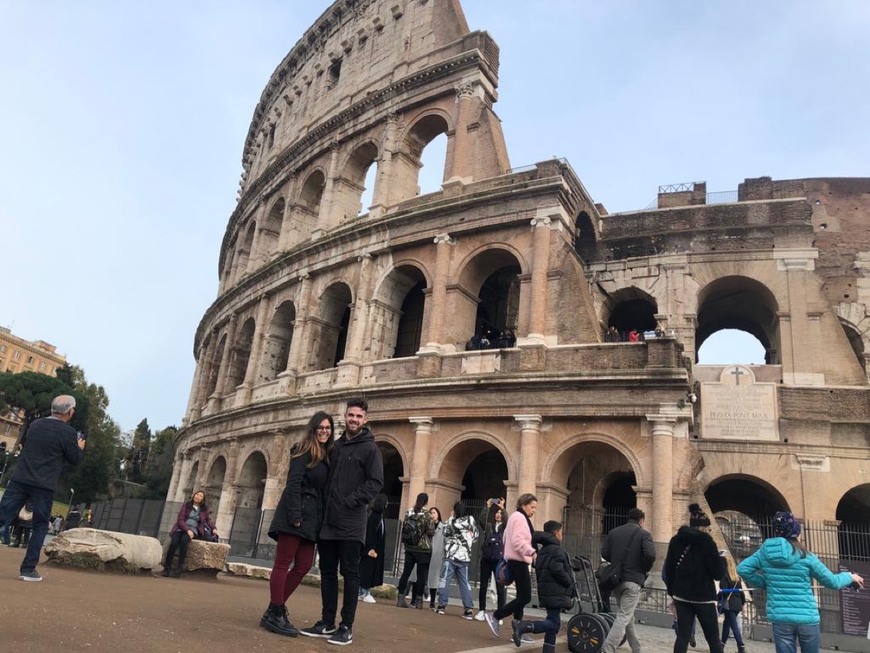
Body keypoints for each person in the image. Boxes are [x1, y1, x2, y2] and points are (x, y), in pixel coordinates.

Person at [300, 398, 384, 647]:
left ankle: (346, 626)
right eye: (351, 415)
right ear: (344, 417)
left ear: (365, 419)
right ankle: (327, 621)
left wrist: (351, 500)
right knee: (327, 572)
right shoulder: (335, 447)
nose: (354, 420)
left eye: (359, 416)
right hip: (329, 521)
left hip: (351, 521)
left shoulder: (371, 449)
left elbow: (376, 482)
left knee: (350, 574)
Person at [738, 511, 864, 653]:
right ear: (796, 532)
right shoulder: (806, 556)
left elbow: (743, 568)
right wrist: (849, 576)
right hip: (807, 617)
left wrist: (766, 583)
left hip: (780, 616)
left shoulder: (765, 552)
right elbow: (833, 582)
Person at [261, 411, 334, 636]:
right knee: (283, 562)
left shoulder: (326, 454)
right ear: (313, 429)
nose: (324, 431)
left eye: (328, 428)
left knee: (303, 565)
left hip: (312, 517)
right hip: (296, 513)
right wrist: (294, 515)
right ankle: (276, 611)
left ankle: (275, 609)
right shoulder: (302, 449)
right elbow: (293, 483)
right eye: (320, 427)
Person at [0, 395, 85, 582]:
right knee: (39, 526)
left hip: (21, 477)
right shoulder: (68, 433)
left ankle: (28, 569)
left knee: (2, 516)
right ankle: (28, 569)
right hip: (43, 484)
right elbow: (74, 460)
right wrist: (79, 447)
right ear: (69, 411)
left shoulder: (36, 424)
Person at [663, 505, 725, 653]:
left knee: (683, 637)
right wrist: (721, 561)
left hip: (681, 596)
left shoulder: (676, 540)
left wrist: (673, 592)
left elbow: (669, 569)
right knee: (713, 640)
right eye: (708, 528)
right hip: (704, 597)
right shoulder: (708, 543)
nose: (709, 530)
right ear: (703, 528)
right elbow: (718, 573)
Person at [511, 520, 574, 651]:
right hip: (556, 591)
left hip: (547, 591)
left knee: (553, 622)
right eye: (561, 532)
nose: (562, 535)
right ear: (556, 533)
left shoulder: (543, 551)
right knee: (553, 623)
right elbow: (557, 569)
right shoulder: (557, 550)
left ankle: (548, 649)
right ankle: (524, 626)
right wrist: (569, 581)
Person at [600, 507, 656, 653]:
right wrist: (643, 568)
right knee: (624, 616)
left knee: (627, 615)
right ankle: (608, 649)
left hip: (616, 580)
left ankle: (636, 648)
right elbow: (650, 555)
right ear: (641, 520)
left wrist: (618, 561)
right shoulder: (644, 534)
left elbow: (604, 553)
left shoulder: (613, 532)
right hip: (633, 580)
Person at [484, 493, 538, 638]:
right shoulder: (520, 518)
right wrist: (532, 552)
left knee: (521, 596)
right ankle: (496, 615)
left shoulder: (516, 517)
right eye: (532, 507)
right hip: (518, 560)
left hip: (515, 559)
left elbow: (509, 538)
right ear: (524, 505)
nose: (534, 510)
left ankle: (518, 630)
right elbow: (518, 541)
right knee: (525, 597)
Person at [436, 500, 479, 618]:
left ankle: (441, 605)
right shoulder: (470, 520)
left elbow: (444, 532)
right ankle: (468, 609)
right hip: (464, 557)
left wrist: (450, 518)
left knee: (445, 580)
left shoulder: (451, 522)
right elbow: (476, 536)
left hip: (451, 555)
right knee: (464, 583)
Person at [163, 490, 217, 578]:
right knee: (174, 543)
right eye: (196, 494)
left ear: (203, 499)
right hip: (181, 528)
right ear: (194, 496)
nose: (197, 496)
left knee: (184, 541)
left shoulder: (204, 509)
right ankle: (167, 568)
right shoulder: (186, 506)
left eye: (200, 496)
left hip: (194, 530)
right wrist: (187, 530)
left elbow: (207, 521)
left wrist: (214, 528)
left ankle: (179, 568)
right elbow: (180, 520)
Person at [396, 492, 436, 609]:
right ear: (426, 502)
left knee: (406, 573)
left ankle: (400, 598)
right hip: (423, 548)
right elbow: (431, 531)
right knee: (421, 576)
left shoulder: (409, 512)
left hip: (409, 547)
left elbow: (405, 526)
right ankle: (419, 601)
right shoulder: (427, 515)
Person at [475, 499, 507, 620]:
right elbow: (482, 520)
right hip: (486, 558)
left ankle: (500, 614)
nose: (498, 515)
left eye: (500, 513)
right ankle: (481, 610)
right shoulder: (489, 527)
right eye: (497, 513)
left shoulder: (505, 528)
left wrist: (502, 507)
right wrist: (487, 507)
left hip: (499, 560)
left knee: (500, 587)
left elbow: (508, 520)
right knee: (483, 585)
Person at [359, 494, 388, 603]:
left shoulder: (380, 517)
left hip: (377, 549)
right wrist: (370, 548)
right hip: (371, 549)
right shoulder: (373, 517)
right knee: (367, 570)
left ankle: (363, 591)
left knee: (370, 570)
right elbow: (370, 533)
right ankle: (364, 592)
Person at [719, 553, 747, 653]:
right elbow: (741, 593)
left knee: (733, 625)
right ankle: (721, 645)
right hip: (737, 604)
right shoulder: (737, 578)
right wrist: (742, 603)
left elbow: (724, 591)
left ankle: (741, 645)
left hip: (729, 605)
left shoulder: (724, 576)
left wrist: (718, 597)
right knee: (727, 624)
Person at [427, 506, 445, 610]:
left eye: (434, 512)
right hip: (426, 551)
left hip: (437, 554)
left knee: (434, 578)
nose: (432, 515)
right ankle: (417, 597)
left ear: (438, 514)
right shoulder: (427, 525)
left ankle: (432, 601)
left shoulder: (442, 527)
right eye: (431, 513)